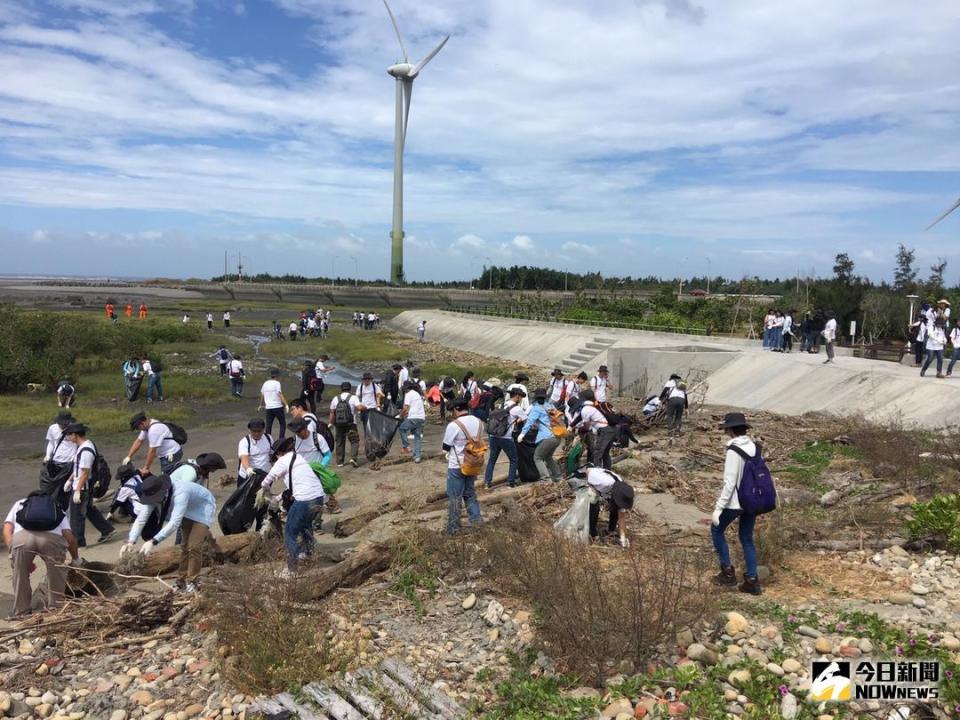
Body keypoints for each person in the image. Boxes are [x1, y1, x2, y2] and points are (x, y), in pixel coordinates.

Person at [120, 458, 222, 593]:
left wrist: (153, 541)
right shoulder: (154, 493)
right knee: (185, 546)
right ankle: (181, 581)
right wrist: (131, 541)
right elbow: (141, 519)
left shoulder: (180, 492)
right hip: (188, 510)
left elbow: (174, 523)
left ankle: (193, 581)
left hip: (203, 508)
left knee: (194, 546)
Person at [4, 493, 81, 619]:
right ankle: (55, 609)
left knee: (20, 573)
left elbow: (7, 529)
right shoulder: (55, 507)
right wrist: (76, 559)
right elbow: (70, 538)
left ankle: (21, 611)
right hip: (51, 540)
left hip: (22, 540)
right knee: (56, 572)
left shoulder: (20, 503)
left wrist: (14, 554)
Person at [711, 412, 762, 595]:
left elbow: (730, 482)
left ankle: (728, 573)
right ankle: (752, 580)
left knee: (716, 530)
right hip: (752, 499)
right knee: (747, 538)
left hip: (735, 501)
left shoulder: (733, 450)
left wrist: (718, 508)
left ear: (730, 429)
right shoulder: (755, 446)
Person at [261, 437, 326, 577]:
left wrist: (263, 490)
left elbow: (267, 480)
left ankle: (292, 568)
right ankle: (309, 554)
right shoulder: (299, 459)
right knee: (306, 525)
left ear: (279, 453)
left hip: (305, 500)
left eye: (276, 456)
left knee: (290, 532)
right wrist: (277, 498)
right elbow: (290, 489)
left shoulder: (282, 461)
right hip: (319, 498)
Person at [64, 423, 116, 547]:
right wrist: (70, 480)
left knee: (76, 517)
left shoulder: (86, 450)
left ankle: (79, 543)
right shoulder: (83, 446)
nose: (68, 438)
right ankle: (107, 530)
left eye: (69, 435)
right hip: (80, 485)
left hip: (82, 488)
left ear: (75, 435)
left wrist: (77, 490)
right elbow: (79, 469)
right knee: (89, 510)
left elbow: (85, 472)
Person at [442, 398, 483, 534]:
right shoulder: (479, 422)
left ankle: (453, 528)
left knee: (455, 497)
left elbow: (446, 446)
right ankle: (477, 524)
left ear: (456, 409)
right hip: (473, 463)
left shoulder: (454, 425)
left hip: (457, 465)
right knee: (470, 493)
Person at [574, 466, 634, 547]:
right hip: (586, 480)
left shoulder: (623, 492)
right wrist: (591, 488)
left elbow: (621, 517)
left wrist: (623, 538)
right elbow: (588, 471)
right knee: (594, 506)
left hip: (606, 490)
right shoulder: (604, 481)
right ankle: (593, 533)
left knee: (616, 508)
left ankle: (611, 530)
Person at [484, 387, 526, 488]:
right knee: (514, 459)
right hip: (506, 438)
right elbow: (525, 419)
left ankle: (487, 482)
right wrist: (518, 420)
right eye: (520, 397)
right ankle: (511, 482)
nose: (521, 399)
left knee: (492, 459)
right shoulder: (517, 408)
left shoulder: (501, 404)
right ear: (517, 396)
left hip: (493, 435)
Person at [517, 389, 562, 482]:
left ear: (536, 398)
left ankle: (546, 479)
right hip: (557, 435)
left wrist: (522, 434)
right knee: (548, 456)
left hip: (547, 437)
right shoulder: (550, 406)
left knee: (537, 457)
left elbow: (530, 422)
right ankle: (558, 476)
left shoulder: (536, 408)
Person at [572, 389, 618, 469]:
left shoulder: (586, 409)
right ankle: (607, 471)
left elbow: (586, 426)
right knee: (605, 453)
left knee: (597, 453)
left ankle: (597, 473)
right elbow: (580, 417)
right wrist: (572, 425)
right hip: (612, 429)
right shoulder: (595, 405)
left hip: (605, 431)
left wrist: (577, 430)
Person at [330, 381, 362, 467]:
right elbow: (359, 408)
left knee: (340, 442)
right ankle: (353, 458)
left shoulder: (335, 398)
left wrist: (330, 423)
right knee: (354, 440)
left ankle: (340, 462)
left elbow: (332, 412)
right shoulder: (353, 397)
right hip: (351, 423)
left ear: (341, 389)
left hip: (339, 424)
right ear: (350, 388)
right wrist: (364, 407)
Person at [398, 380, 426, 463]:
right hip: (421, 417)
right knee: (417, 437)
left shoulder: (408, 394)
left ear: (406, 388)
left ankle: (406, 446)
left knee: (402, 428)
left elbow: (406, 408)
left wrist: (400, 416)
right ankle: (417, 457)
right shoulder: (416, 393)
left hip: (413, 417)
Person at [259, 369, 289, 441]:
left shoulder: (265, 383)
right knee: (282, 423)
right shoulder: (277, 383)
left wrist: (260, 405)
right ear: (277, 376)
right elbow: (279, 394)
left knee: (269, 425)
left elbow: (262, 395)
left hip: (268, 407)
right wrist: (286, 404)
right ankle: (281, 439)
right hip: (277, 406)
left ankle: (268, 440)